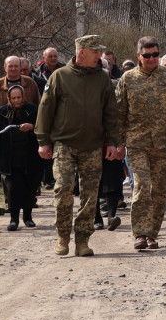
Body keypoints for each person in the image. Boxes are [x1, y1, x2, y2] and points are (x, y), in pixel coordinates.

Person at [34, 35, 122, 257]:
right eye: (95, 52)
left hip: (92, 145)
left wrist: (113, 142)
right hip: (64, 144)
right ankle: (62, 236)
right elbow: (45, 109)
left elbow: (111, 112)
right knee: (63, 188)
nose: (98, 56)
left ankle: (82, 240)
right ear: (82, 52)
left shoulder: (102, 78)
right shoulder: (60, 77)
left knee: (90, 195)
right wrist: (43, 141)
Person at [116, 36, 166, 251]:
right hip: (136, 143)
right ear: (138, 55)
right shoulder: (128, 79)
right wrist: (118, 143)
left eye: (155, 55)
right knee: (142, 186)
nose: (151, 59)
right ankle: (140, 233)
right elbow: (119, 114)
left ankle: (153, 233)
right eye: (147, 55)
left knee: (160, 191)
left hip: (163, 143)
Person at [0, 84, 40, 230]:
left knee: (30, 187)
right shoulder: (1, 112)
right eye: (13, 98)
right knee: (13, 189)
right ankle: (13, 219)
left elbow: (45, 127)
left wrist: (32, 127)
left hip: (31, 156)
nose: (16, 101)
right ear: (8, 98)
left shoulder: (34, 110)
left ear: (23, 97)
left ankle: (28, 217)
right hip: (9, 157)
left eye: (19, 97)